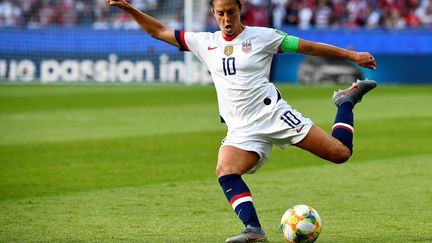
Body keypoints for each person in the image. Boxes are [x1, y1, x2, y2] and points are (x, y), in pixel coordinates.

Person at [106, 0, 377, 242]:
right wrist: (130, 8)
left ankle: (346, 102)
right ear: (213, 13)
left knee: (341, 153)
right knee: (225, 170)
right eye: (221, 13)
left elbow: (308, 47)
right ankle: (253, 230)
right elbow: (159, 31)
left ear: (240, 10)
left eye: (231, 12)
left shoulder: (264, 37)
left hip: (274, 115)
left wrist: (352, 55)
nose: (226, 19)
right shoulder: (205, 42)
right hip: (241, 129)